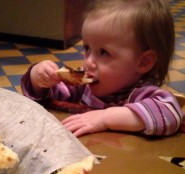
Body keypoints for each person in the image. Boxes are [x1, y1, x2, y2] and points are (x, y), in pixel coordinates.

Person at [21, 0, 184, 137]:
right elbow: (50, 96)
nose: (88, 62)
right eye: (87, 49)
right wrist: (39, 80)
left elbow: (170, 113)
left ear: (143, 62)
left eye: (104, 52)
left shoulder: (142, 93)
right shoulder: (84, 86)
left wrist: (105, 118)